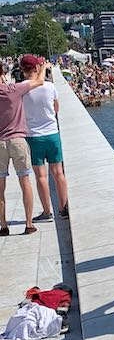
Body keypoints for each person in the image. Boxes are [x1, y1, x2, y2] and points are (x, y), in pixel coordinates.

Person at [0, 56, 49, 235]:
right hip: (18, 140)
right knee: (25, 181)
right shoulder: (13, 89)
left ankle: (3, 226)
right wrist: (43, 67)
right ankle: (28, 224)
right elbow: (39, 81)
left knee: (0, 187)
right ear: (2, 74)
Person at [20, 55, 69, 220]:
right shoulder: (50, 86)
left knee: (41, 176)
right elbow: (56, 108)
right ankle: (63, 209)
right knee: (58, 173)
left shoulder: (20, 88)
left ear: (23, 70)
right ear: (37, 68)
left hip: (33, 137)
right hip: (52, 134)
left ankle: (47, 211)